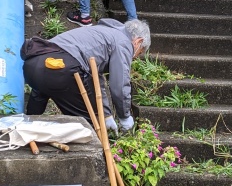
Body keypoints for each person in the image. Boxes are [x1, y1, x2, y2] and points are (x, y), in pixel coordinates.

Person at [22, 18, 150, 132]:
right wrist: (125, 116)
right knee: (89, 125)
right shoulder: (123, 42)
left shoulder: (102, 32)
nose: (135, 58)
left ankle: (25, 130)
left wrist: (106, 115)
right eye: (139, 53)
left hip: (33, 64)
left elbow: (96, 78)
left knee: (35, 110)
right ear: (138, 41)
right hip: (61, 69)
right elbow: (119, 84)